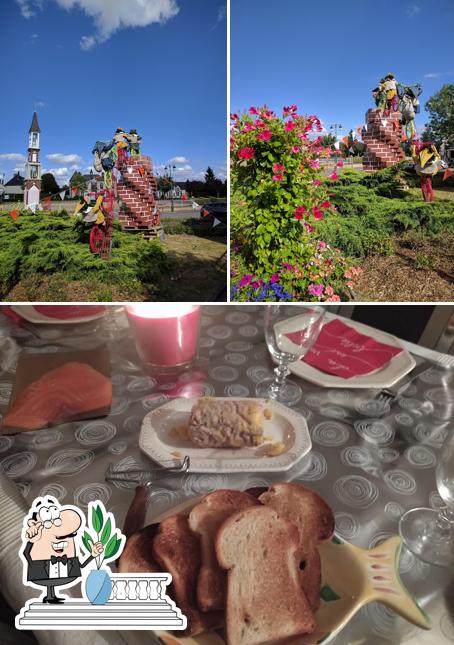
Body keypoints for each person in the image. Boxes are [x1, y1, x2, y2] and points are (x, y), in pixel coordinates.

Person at [21, 498, 103, 603]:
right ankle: (50, 596)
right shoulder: (37, 539)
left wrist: (93, 554)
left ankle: (51, 596)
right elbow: (25, 553)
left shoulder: (70, 555)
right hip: (42, 569)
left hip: (64, 570)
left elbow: (81, 565)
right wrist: (33, 564)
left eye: (69, 535)